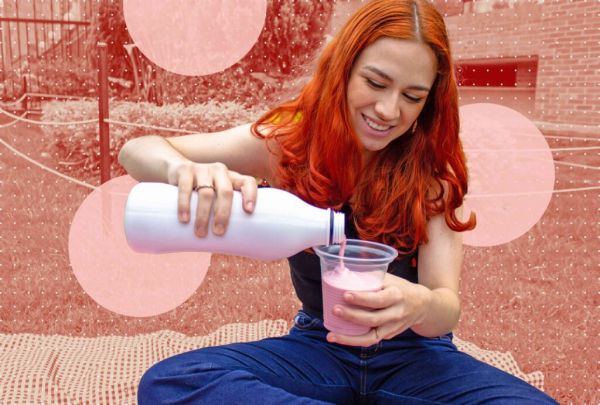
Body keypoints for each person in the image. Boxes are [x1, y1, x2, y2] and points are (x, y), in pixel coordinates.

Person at [120, 0, 558, 403]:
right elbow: (137, 151)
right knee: (173, 381)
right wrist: (181, 170)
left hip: (417, 359)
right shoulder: (290, 144)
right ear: (343, 70)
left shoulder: (431, 173)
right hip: (320, 348)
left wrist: (420, 304)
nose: (388, 110)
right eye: (375, 83)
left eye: (412, 97)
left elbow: (446, 305)